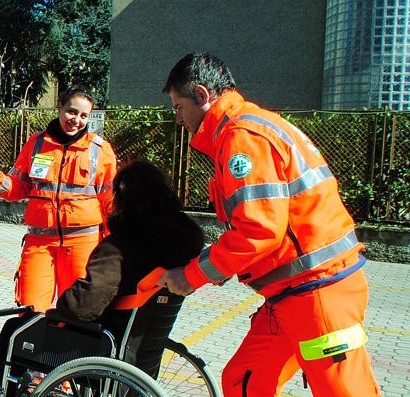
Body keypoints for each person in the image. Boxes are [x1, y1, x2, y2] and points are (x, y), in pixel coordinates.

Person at [157, 52, 380, 396]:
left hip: (318, 293)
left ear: (201, 95)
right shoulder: (249, 127)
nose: (178, 118)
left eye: (179, 107)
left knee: (344, 391)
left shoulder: (241, 137)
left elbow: (257, 231)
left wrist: (191, 276)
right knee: (244, 381)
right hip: (294, 294)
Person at [0, 160, 204, 395]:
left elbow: (84, 306)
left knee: (17, 328)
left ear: (122, 199)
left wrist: (62, 305)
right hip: (143, 351)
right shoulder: (186, 242)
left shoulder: (121, 246)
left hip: (103, 345)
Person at [0, 87, 117, 313]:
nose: (77, 120)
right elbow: (18, 188)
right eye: (72, 112)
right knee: (30, 309)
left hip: (83, 245)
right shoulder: (37, 144)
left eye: (84, 116)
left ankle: (69, 349)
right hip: (40, 244)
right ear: (59, 107)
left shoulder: (100, 150)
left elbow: (111, 203)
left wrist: (114, 245)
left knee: (77, 311)